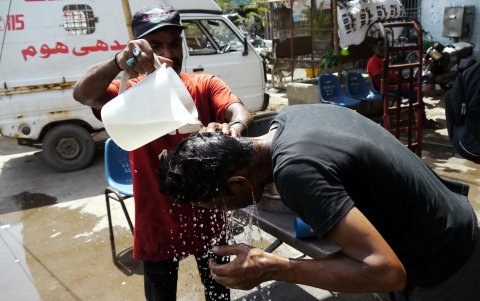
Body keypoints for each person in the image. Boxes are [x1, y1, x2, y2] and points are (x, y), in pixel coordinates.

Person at [158, 104, 480, 301]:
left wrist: (273, 267)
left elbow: (386, 273)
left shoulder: (293, 172)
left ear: (237, 183)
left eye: (218, 206)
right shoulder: (287, 120)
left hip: (444, 264)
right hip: (451, 217)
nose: (224, 213)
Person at [73, 5, 253, 301]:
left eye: (174, 43)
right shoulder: (127, 93)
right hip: (157, 222)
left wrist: (233, 127)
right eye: (156, 45)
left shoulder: (203, 84)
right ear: (140, 48)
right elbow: (83, 93)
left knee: (219, 294)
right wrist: (119, 61)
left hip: (207, 215)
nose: (169, 52)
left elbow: (238, 110)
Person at [367, 38, 440, 129]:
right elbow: (382, 78)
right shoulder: (373, 62)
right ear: (374, 48)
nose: (383, 47)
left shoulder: (385, 59)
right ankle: (422, 120)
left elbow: (391, 74)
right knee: (416, 94)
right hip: (389, 87)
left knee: (420, 78)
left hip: (397, 84)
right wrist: (402, 82)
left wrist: (403, 79)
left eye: (384, 45)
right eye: (380, 45)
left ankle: (418, 112)